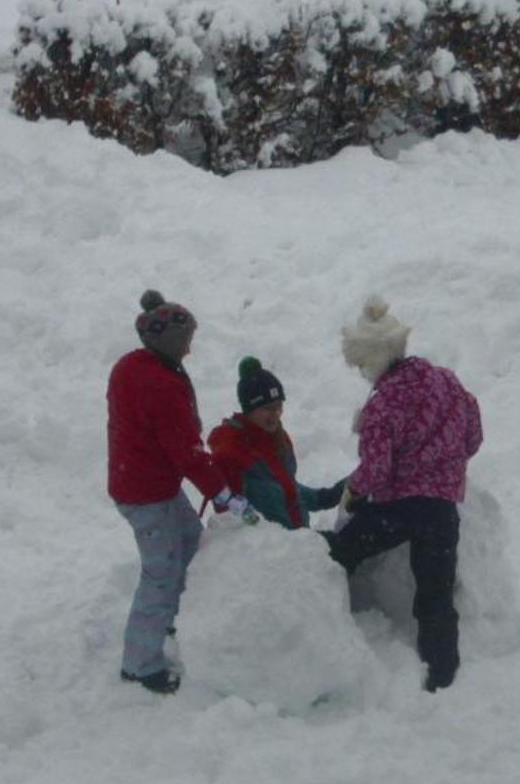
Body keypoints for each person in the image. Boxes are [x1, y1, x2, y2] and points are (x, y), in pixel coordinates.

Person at [323, 297, 483, 693]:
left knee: (340, 551)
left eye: (361, 365)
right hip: (442, 507)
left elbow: (376, 472)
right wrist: (445, 466)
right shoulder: (447, 380)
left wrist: (353, 492)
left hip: (400, 508)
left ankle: (321, 618)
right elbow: (473, 434)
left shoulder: (381, 406)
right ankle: (442, 674)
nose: (362, 374)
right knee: (436, 593)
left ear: (374, 359)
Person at [106, 289, 250, 694]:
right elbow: (186, 452)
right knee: (161, 573)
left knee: (190, 544)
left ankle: (176, 619)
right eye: (187, 338)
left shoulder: (135, 366)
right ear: (169, 340)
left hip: (149, 483)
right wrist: (224, 495)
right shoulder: (159, 384)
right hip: (146, 494)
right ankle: (140, 663)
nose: (190, 346)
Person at [207, 357, 346, 530]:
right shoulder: (232, 448)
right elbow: (233, 512)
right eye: (268, 408)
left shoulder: (276, 436)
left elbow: (287, 487)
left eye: (279, 406)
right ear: (249, 408)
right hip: (269, 548)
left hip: (295, 540)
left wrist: (323, 497)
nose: (276, 414)